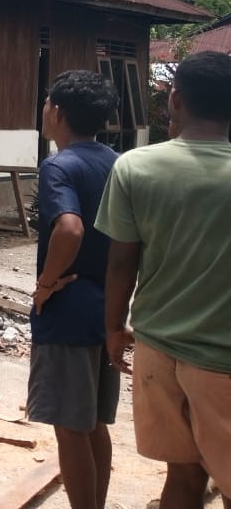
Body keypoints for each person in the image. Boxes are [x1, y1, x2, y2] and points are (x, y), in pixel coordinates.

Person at [96, 51, 231, 509]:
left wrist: (114, 328)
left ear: (174, 99)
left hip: (157, 349)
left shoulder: (135, 166)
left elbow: (121, 263)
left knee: (182, 477)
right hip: (222, 359)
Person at [26, 70, 121, 509]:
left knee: (69, 426)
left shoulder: (59, 165)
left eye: (47, 103)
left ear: (57, 111)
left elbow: (69, 228)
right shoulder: (116, 162)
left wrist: (46, 284)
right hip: (108, 308)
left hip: (68, 308)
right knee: (94, 423)